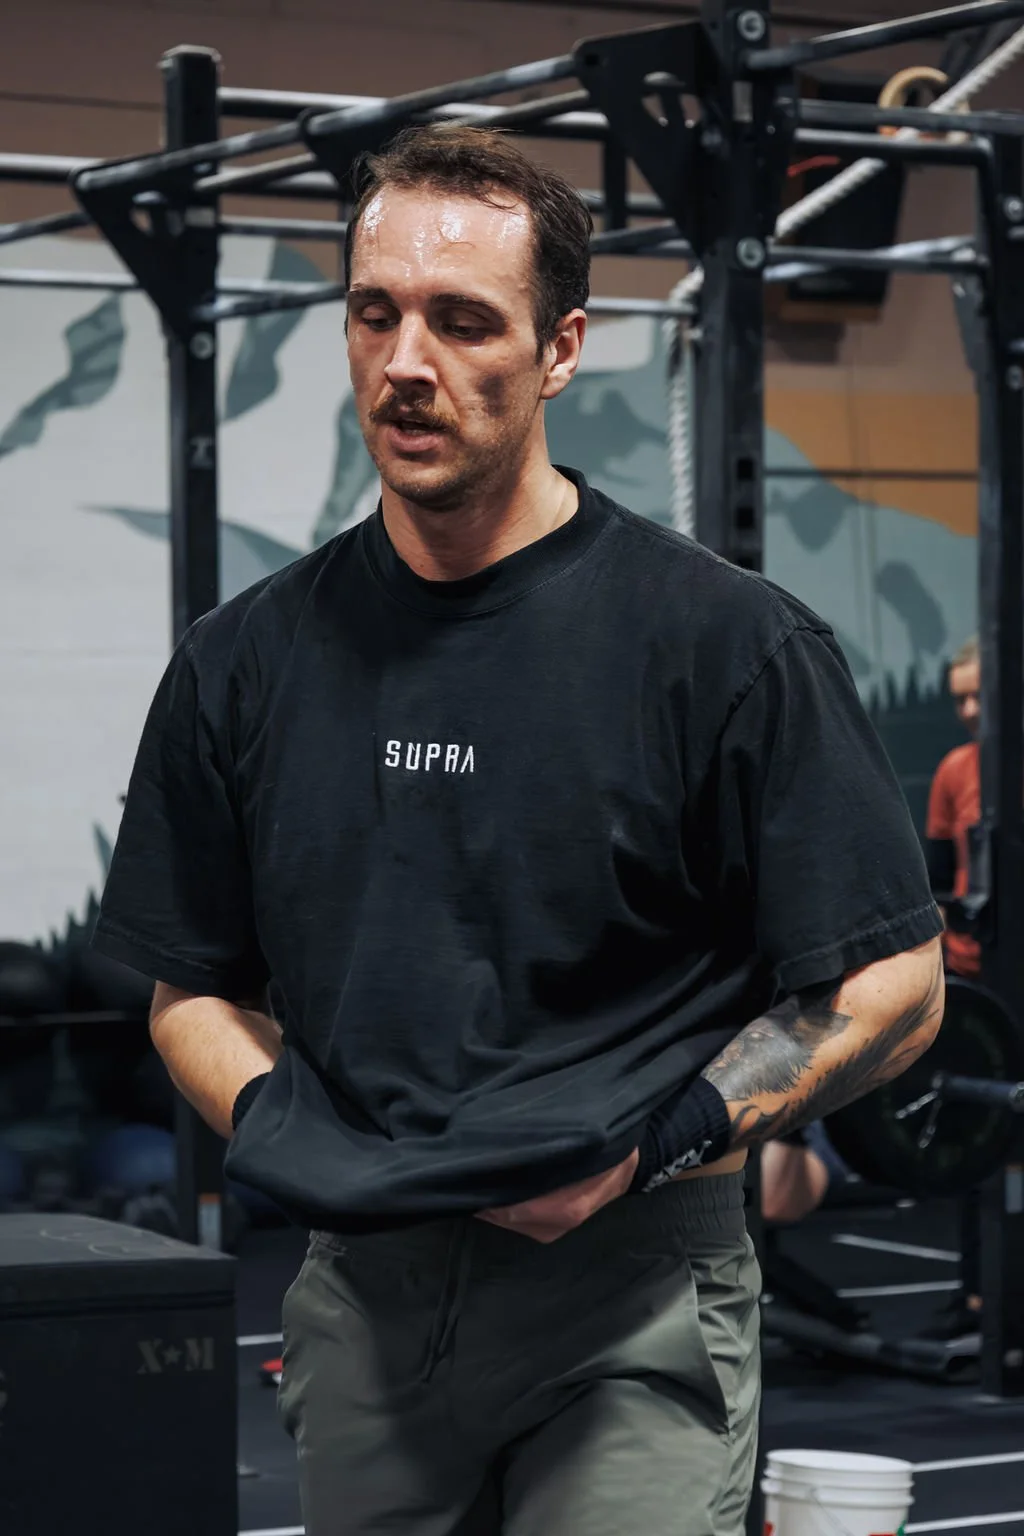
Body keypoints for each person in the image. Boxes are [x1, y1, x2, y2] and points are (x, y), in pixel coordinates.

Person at [93, 125, 944, 1536]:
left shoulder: (725, 646)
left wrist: (659, 1140)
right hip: (365, 1284)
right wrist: (306, 1139)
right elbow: (193, 993)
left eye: (463, 322)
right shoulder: (241, 661)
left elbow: (897, 991)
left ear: (560, 350)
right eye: (375, 313)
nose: (406, 363)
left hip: (635, 1287)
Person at [923, 636, 983, 1343]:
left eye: (979, 694)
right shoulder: (954, 771)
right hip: (976, 974)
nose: (969, 709)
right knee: (979, 1143)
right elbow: (938, 882)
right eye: (959, 697)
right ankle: (976, 1296)